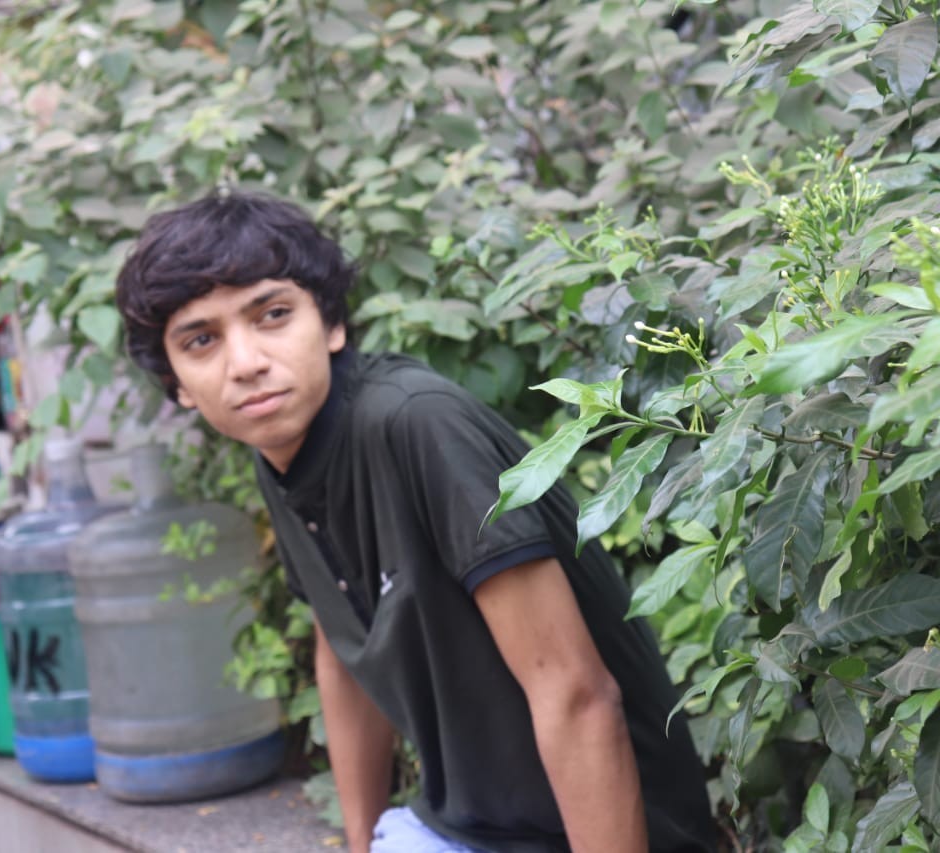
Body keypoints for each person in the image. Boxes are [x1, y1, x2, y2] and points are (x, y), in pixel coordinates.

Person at [114, 192, 717, 853]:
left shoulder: (417, 423)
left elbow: (575, 692)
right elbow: (339, 651)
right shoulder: (282, 450)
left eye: (273, 315)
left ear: (332, 324)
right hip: (463, 828)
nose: (246, 362)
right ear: (176, 382)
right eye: (201, 340)